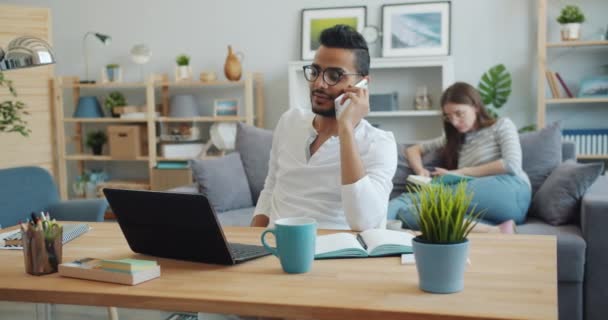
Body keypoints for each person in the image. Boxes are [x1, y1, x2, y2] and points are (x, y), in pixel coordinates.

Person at [250, 25, 397, 231]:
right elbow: (271, 185)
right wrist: (250, 239)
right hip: (274, 246)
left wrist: (345, 128)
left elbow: (364, 223)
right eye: (315, 71)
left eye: (335, 76)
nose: (319, 84)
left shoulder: (379, 143)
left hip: (337, 255)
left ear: (363, 84)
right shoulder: (290, 121)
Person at [388, 82, 531, 233]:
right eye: (449, 117)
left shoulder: (501, 125)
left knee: (411, 199)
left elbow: (511, 164)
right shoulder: (455, 139)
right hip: (492, 210)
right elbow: (413, 150)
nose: (455, 122)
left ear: (475, 106)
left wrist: (459, 173)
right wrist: (420, 171)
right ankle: (495, 231)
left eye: (459, 113)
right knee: (408, 213)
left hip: (510, 191)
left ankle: (372, 225)